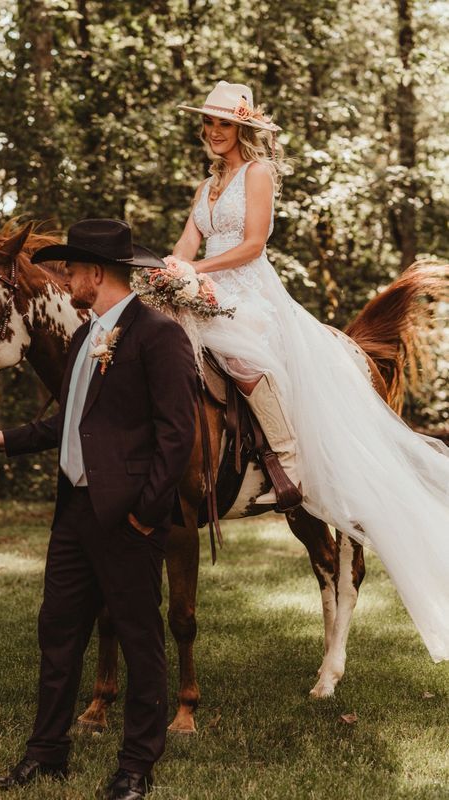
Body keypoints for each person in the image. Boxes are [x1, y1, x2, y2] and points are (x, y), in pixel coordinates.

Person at [174, 80, 449, 662]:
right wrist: (166, 273)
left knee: (244, 358)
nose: (213, 131)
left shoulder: (257, 175)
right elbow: (184, 245)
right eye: (208, 123)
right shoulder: (206, 184)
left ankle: (284, 455)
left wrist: (199, 270)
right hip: (202, 289)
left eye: (223, 123)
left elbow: (251, 246)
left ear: (244, 127)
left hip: (249, 293)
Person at [0, 219, 197, 799]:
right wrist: (10, 437)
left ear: (96, 274)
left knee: (142, 643)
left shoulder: (158, 335)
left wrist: (147, 514)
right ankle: (46, 756)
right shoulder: (82, 336)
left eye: (70, 269)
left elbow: (177, 436)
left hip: (127, 520)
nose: (63, 278)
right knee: (59, 634)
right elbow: (67, 421)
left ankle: (135, 768)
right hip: (73, 512)